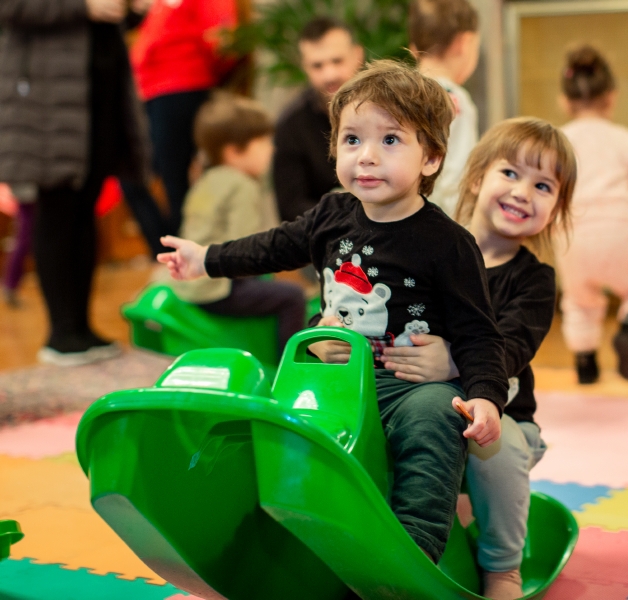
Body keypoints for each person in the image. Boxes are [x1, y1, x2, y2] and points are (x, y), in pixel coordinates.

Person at [157, 60, 509, 565]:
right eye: (352, 140)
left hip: (411, 387)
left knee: (436, 420)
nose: (366, 157)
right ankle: (276, 534)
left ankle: (411, 553)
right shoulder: (332, 213)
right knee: (275, 421)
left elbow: (480, 333)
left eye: (390, 141)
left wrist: (485, 398)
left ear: (430, 157)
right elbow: (273, 247)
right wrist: (206, 258)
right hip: (331, 378)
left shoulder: (449, 244)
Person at [380, 117, 576, 600]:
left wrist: (452, 362)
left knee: (499, 448)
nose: (523, 192)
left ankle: (503, 568)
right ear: (475, 179)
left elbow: (509, 349)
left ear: (556, 209)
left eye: (543, 185)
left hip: (500, 414)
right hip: (419, 406)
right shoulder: (433, 248)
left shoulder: (534, 281)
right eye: (510, 174)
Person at [0, 0, 150, 366]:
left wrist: (132, 9)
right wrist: (83, 7)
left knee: (85, 209)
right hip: (49, 100)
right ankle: (61, 333)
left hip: (98, 90)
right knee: (57, 209)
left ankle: (80, 329)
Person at [554, 45, 628, 384]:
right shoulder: (625, 140)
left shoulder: (559, 139)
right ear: (612, 97)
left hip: (573, 238)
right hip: (623, 235)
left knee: (579, 302)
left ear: (565, 100)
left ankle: (585, 363)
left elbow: (551, 190)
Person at [165, 93, 306, 352]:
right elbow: (244, 249)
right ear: (234, 151)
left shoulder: (206, 179)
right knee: (293, 297)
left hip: (191, 282)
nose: (271, 149)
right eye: (263, 142)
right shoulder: (242, 186)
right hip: (216, 288)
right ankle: (290, 365)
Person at [120, 0, 243, 257]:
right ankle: (169, 252)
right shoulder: (162, 7)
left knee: (174, 181)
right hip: (150, 94)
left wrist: (205, 79)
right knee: (133, 174)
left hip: (182, 89)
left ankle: (178, 257)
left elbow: (222, 42)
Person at [272, 17, 364, 222]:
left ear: (358, 55)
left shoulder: (387, 110)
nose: (329, 74)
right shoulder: (291, 125)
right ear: (305, 66)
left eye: (337, 61)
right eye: (317, 66)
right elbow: (290, 207)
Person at [409, 0, 481, 218]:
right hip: (439, 222)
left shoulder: (399, 93)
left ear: (413, 48)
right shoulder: (454, 100)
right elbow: (457, 178)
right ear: (464, 42)